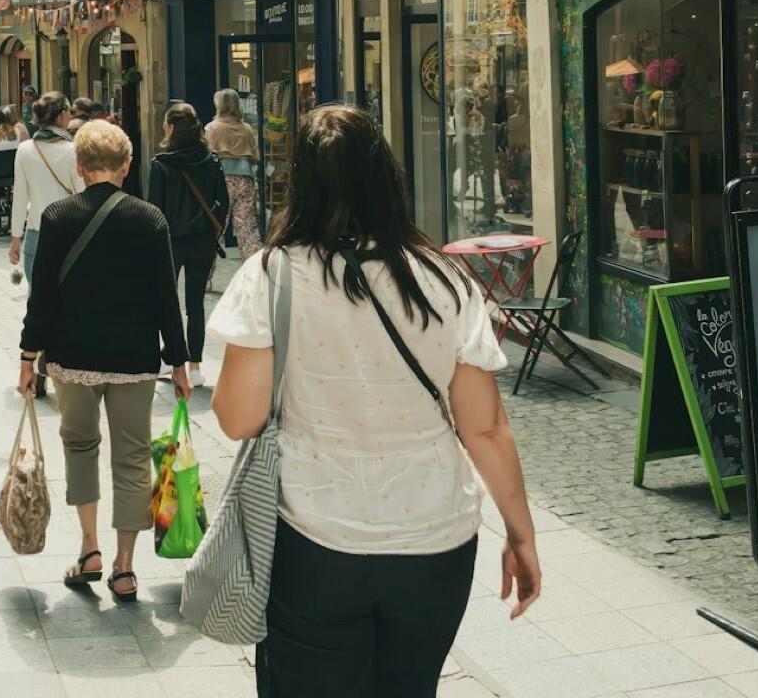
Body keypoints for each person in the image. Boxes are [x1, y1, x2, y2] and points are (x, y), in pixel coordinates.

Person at [208, 104, 540, 693]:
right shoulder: (446, 280)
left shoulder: (271, 276)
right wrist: (521, 534)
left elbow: (239, 419)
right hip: (436, 539)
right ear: (388, 178)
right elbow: (485, 429)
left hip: (316, 538)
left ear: (301, 183)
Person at [17, 120, 191, 604]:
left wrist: (28, 356)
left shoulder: (57, 217)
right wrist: (179, 362)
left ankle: (90, 548)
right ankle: (125, 567)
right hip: (134, 358)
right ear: (126, 165)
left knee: (80, 446)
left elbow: (41, 298)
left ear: (79, 166)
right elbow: (166, 299)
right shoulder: (150, 219)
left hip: (72, 357)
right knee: (132, 456)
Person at [146, 102, 230, 386]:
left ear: (170, 128)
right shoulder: (211, 160)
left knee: (165, 302)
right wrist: (212, 232)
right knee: (196, 304)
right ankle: (195, 366)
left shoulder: (161, 164)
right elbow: (223, 203)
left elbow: (154, 210)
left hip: (170, 241)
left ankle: (173, 362)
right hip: (202, 241)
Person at [9, 93, 78, 289]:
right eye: (69, 111)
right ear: (61, 115)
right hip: (68, 234)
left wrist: (15, 238)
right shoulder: (74, 150)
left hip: (36, 234)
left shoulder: (24, 150)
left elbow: (20, 198)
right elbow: (83, 196)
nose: (71, 116)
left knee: (37, 298)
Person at [205, 88, 262, 257]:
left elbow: (207, 157)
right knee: (247, 227)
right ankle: (253, 265)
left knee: (216, 224)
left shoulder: (212, 128)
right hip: (245, 178)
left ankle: (207, 266)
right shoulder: (247, 129)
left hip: (222, 179)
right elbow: (256, 156)